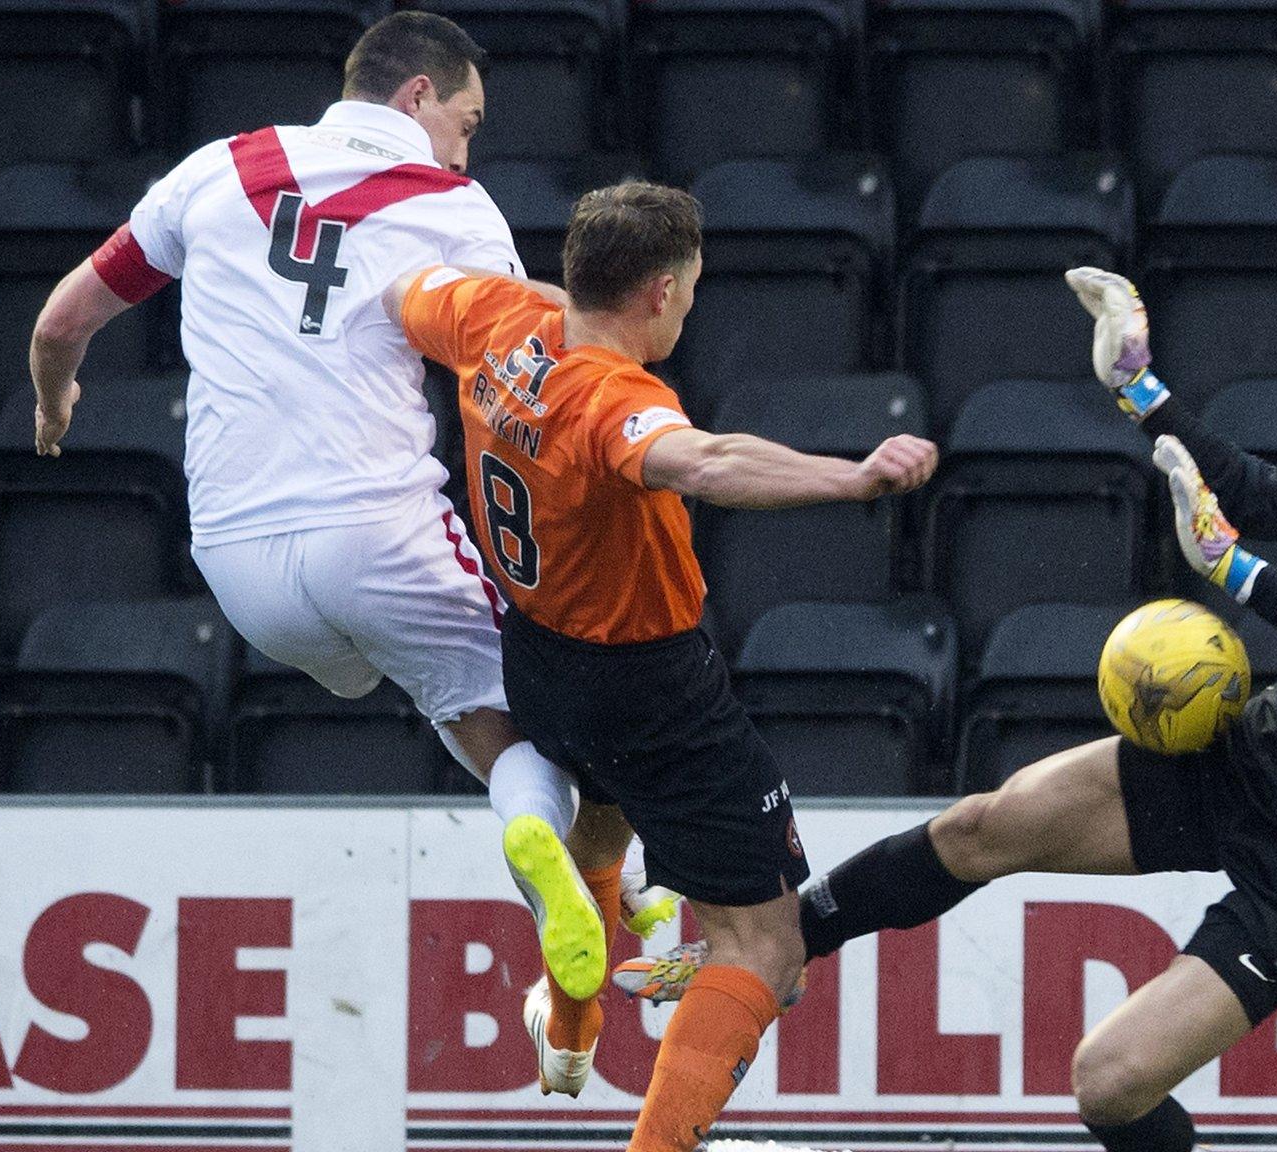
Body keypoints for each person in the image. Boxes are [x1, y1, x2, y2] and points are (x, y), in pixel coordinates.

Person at [619, 268, 1277, 1152]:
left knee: (1109, 1083)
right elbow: (1261, 491)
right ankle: (784, 945)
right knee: (982, 824)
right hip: (1265, 750)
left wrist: (1232, 570)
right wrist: (1138, 387)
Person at [24, 9, 658, 1092]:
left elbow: (61, 322)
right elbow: (544, 350)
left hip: (233, 560)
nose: (468, 145)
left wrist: (53, 408)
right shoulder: (452, 205)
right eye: (467, 119)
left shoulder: (218, 168)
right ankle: (587, 871)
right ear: (418, 98)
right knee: (533, 721)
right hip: (377, 533)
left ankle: (593, 898)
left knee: (415, 686)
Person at [386, 179, 938, 1146]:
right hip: (650, 684)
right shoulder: (612, 396)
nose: (688, 304)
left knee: (601, 830)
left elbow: (400, 295)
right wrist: (853, 477)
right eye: (688, 288)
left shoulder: (492, 315)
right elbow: (708, 462)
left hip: (540, 657)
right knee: (768, 950)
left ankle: (571, 1019)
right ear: (659, 292)